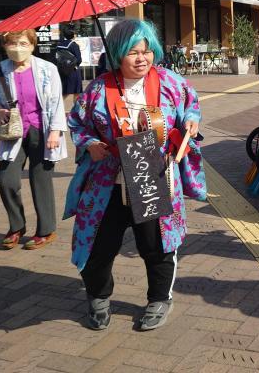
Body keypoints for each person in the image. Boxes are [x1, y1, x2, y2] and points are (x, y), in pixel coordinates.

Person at [64, 19, 205, 332]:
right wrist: (90, 144)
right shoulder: (98, 89)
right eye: (132, 52)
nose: (142, 58)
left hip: (153, 177)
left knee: (157, 246)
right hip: (108, 184)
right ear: (116, 54)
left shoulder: (171, 83)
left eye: (146, 51)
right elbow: (76, 123)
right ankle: (98, 298)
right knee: (98, 247)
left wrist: (191, 123)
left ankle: (159, 299)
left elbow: (191, 107)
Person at [0, 29, 67, 250]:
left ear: (32, 45)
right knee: (6, 180)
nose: (17, 48)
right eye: (12, 44)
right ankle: (16, 226)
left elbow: (56, 102)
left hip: (41, 130)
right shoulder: (1, 69)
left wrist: (55, 131)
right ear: (5, 46)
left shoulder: (47, 69)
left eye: (23, 43)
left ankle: (45, 230)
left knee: (40, 180)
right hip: (13, 130)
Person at [56, 26, 83, 103]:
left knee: (64, 90)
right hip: (73, 71)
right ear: (73, 35)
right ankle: (76, 109)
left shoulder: (59, 45)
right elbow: (79, 59)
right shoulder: (74, 45)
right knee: (76, 91)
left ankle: (59, 107)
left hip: (63, 71)